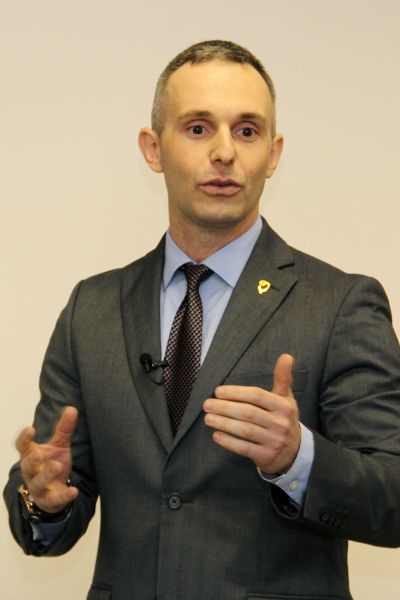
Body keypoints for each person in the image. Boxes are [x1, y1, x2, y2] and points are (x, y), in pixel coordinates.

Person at [4, 39, 400, 600]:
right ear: (153, 148)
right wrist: (43, 499)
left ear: (273, 154)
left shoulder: (340, 304)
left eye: (247, 130)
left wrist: (298, 458)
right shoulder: (91, 309)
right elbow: (50, 504)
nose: (224, 152)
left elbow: (394, 496)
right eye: (197, 128)